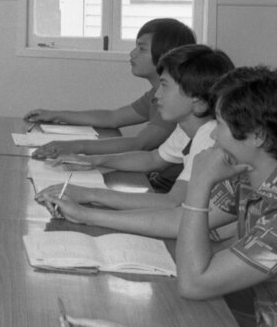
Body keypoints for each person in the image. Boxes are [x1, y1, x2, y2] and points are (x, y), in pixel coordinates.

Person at [36, 44, 234, 223]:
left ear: (197, 99)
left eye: (164, 86)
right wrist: (94, 160)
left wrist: (90, 195)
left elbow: (172, 203)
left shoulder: (208, 135)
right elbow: (152, 159)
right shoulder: (187, 125)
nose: (157, 96)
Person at [26, 18, 196, 189]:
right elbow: (113, 117)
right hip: (155, 177)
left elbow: (140, 143)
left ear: (166, 54)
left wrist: (77, 146)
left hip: (166, 186)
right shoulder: (157, 93)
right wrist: (58, 115)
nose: (132, 53)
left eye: (141, 48)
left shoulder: (175, 103)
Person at [173, 66, 277, 327]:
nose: (212, 135)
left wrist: (199, 184)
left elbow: (193, 284)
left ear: (259, 136)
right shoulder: (246, 176)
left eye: (219, 124)